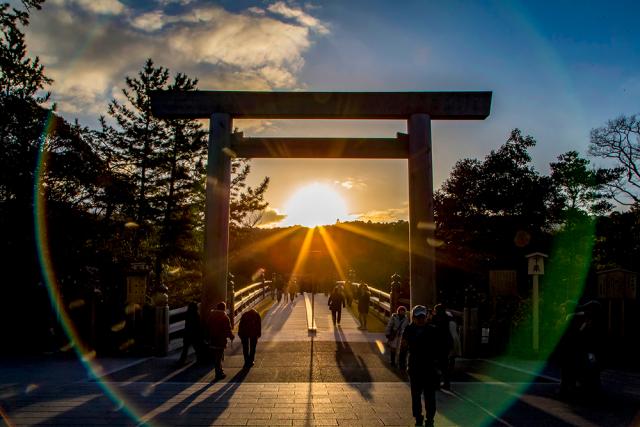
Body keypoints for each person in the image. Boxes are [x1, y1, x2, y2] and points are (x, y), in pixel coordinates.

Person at [402, 305, 443, 427]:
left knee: (430, 395)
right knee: (416, 395)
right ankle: (418, 417)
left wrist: (439, 366)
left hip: (429, 367)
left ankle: (430, 418)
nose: (420, 319)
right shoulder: (408, 330)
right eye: (418, 317)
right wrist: (400, 363)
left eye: (422, 317)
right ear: (413, 317)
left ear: (426, 317)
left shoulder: (433, 330)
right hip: (414, 366)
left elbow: (439, 350)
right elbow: (403, 347)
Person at [205, 301, 234, 380]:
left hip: (213, 339)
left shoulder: (211, 316)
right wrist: (231, 336)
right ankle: (218, 374)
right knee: (219, 357)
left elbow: (207, 327)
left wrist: (207, 337)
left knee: (216, 357)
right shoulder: (225, 317)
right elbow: (228, 329)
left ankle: (220, 371)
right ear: (224, 308)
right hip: (220, 340)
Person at [432, 304, 453, 390]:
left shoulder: (435, 318)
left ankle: (436, 384)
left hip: (437, 344)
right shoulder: (447, 318)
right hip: (446, 344)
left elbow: (432, 330)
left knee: (435, 365)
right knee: (444, 366)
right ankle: (447, 383)